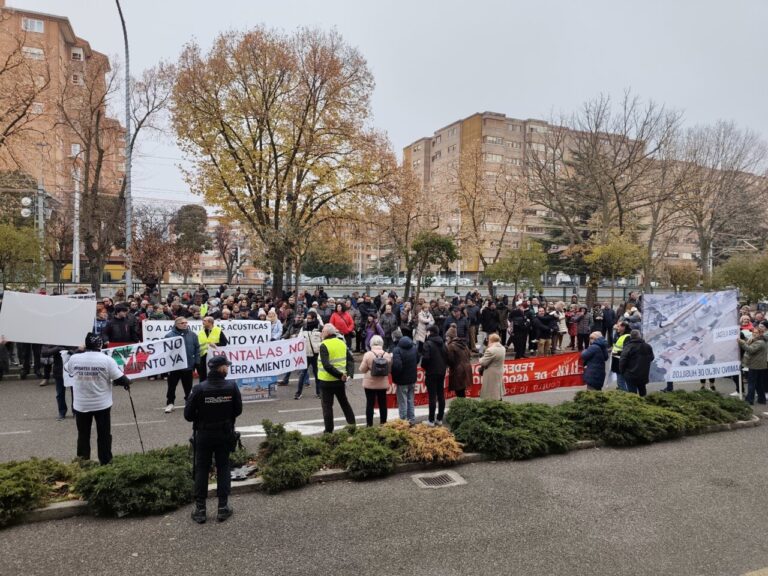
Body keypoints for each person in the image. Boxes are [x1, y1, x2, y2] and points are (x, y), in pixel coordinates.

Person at [185, 355, 242, 524]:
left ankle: (200, 509)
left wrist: (202, 416)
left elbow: (188, 415)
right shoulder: (231, 387)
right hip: (224, 433)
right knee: (223, 467)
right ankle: (223, 508)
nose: (228, 368)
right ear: (221, 368)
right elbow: (238, 410)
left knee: (201, 468)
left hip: (203, 433)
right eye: (227, 366)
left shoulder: (199, 388)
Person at [63, 332, 131, 465]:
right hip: (102, 404)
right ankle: (105, 461)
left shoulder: (75, 359)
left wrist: (78, 351)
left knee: (83, 435)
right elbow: (120, 379)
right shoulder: (106, 360)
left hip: (81, 405)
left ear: (85, 345)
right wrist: (128, 383)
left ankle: (83, 462)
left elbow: (68, 370)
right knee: (104, 434)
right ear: (100, 344)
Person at [317, 325, 356, 433]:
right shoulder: (341, 343)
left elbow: (326, 365)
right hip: (340, 381)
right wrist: (349, 375)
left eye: (323, 331)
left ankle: (329, 431)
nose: (321, 333)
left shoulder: (324, 345)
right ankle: (352, 425)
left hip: (326, 381)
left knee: (327, 407)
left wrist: (339, 375)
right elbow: (350, 360)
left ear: (328, 333)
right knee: (344, 403)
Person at [164, 317, 201, 413]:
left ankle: (188, 402)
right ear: (176, 324)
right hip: (174, 366)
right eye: (182, 323)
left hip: (188, 365)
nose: (185, 324)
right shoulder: (169, 336)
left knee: (188, 386)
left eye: (186, 322)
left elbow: (197, 348)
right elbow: (166, 351)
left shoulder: (192, 335)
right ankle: (170, 403)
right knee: (171, 386)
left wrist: (197, 362)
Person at [358, 335, 391, 427]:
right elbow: (389, 370)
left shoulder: (368, 354)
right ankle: (383, 423)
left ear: (371, 343)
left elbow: (362, 369)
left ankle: (369, 424)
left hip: (370, 384)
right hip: (382, 383)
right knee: (383, 404)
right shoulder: (386, 354)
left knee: (370, 404)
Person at [420, 325, 448, 426]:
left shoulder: (428, 344)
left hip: (431, 372)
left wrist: (424, 366)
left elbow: (425, 358)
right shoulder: (443, 343)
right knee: (441, 395)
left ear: (430, 332)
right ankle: (439, 418)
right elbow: (447, 356)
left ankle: (431, 420)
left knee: (432, 396)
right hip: (441, 371)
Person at [42, 344, 75, 420]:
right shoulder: (53, 339)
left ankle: (75, 411)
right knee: (60, 394)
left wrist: (73, 351)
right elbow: (44, 352)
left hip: (72, 370)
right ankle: (62, 412)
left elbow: (82, 349)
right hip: (59, 370)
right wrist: (57, 348)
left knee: (75, 392)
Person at [391, 333, 418, 425]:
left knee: (403, 401)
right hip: (412, 378)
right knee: (410, 400)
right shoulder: (414, 349)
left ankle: (403, 422)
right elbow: (417, 360)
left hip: (402, 380)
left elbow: (397, 366)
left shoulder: (397, 350)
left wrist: (394, 375)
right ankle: (412, 419)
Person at [619, 329, 655, 397]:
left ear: (631, 337)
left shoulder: (628, 347)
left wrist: (622, 371)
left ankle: (635, 405)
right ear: (640, 336)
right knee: (643, 392)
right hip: (643, 374)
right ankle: (645, 405)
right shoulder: (647, 346)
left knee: (632, 394)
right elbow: (652, 358)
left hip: (630, 374)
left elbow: (623, 360)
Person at [739, 327, 767, 405]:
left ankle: (749, 399)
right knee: (758, 383)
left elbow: (750, 349)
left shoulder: (759, 342)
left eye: (756, 332)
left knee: (752, 383)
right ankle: (762, 399)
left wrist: (742, 343)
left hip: (755, 365)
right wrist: (744, 341)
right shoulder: (761, 340)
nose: (754, 334)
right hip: (760, 365)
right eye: (753, 332)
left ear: (761, 333)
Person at [197, 316, 228, 383]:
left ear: (210, 322)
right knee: (203, 375)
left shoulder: (218, 330)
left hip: (214, 356)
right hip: (203, 356)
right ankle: (202, 389)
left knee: (214, 373)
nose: (203, 322)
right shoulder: (201, 331)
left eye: (204, 321)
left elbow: (224, 342)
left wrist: (216, 344)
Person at [445, 325, 472, 398]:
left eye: (447, 337)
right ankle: (463, 407)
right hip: (466, 369)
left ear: (451, 337)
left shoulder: (451, 346)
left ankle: (462, 408)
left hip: (458, 371)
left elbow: (450, 360)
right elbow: (469, 355)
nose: (446, 339)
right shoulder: (463, 344)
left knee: (459, 393)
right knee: (462, 392)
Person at [479, 333, 505, 400]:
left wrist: (480, 358)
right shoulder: (502, 348)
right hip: (499, 371)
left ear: (491, 340)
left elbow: (483, 362)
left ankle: (492, 407)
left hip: (491, 373)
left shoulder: (490, 350)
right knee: (497, 390)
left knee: (491, 392)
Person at [611, 322, 631, 391]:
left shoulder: (627, 337)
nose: (617, 327)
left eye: (618, 326)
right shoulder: (618, 335)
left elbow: (627, 352)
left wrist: (615, 353)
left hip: (621, 363)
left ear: (623, 327)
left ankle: (625, 396)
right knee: (620, 381)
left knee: (621, 381)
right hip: (617, 362)